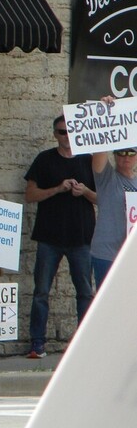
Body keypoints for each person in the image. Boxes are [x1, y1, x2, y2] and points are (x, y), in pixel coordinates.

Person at [24, 114, 96, 359]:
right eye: (61, 132)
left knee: (85, 292)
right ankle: (37, 344)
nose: (66, 136)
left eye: (70, 131)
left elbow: (101, 199)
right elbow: (30, 195)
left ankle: (84, 343)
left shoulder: (88, 160)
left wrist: (84, 191)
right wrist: (57, 189)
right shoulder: (44, 159)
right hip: (49, 237)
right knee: (41, 291)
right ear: (54, 134)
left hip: (81, 237)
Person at [91, 97, 137, 287]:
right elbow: (99, 154)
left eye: (131, 153)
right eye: (120, 153)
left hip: (130, 255)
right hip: (107, 253)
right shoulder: (107, 178)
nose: (125, 158)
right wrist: (107, 115)